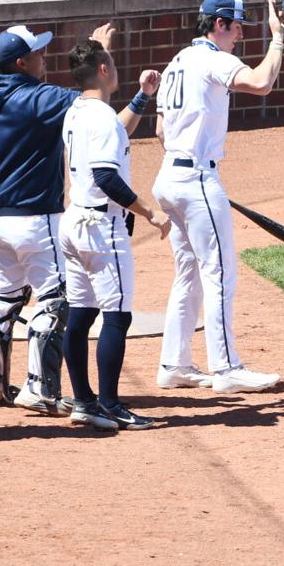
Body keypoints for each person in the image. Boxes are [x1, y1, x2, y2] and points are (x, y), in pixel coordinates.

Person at [0, 21, 117, 415]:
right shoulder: (39, 97)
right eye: (37, 53)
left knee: (3, 300)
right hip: (35, 220)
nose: (44, 58)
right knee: (54, 302)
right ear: (21, 62)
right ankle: (40, 389)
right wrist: (97, 54)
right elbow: (92, 104)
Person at [152, 0, 284, 394]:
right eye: (238, 25)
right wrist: (278, 39)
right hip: (195, 181)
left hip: (170, 178)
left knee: (189, 274)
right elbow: (261, 83)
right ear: (219, 24)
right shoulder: (212, 59)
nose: (242, 33)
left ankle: (174, 365)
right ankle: (226, 369)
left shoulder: (176, 62)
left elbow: (160, 132)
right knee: (219, 273)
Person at [58, 40, 166, 430]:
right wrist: (150, 212)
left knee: (81, 315)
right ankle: (110, 404)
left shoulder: (78, 111)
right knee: (117, 317)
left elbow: (114, 132)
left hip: (74, 224)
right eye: (113, 62)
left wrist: (142, 97)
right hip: (103, 230)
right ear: (103, 69)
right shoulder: (100, 116)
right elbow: (106, 176)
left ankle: (84, 402)